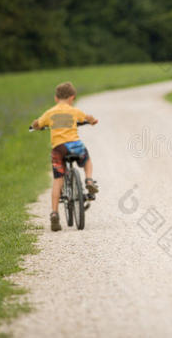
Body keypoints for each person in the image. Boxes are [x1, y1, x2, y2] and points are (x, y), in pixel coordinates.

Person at [31, 82, 99, 231]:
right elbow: (87, 118)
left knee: (57, 180)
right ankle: (88, 179)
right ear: (72, 97)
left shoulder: (50, 113)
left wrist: (35, 125)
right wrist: (92, 121)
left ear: (56, 98)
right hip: (75, 146)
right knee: (86, 159)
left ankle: (54, 214)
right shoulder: (74, 111)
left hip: (59, 149)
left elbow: (38, 123)